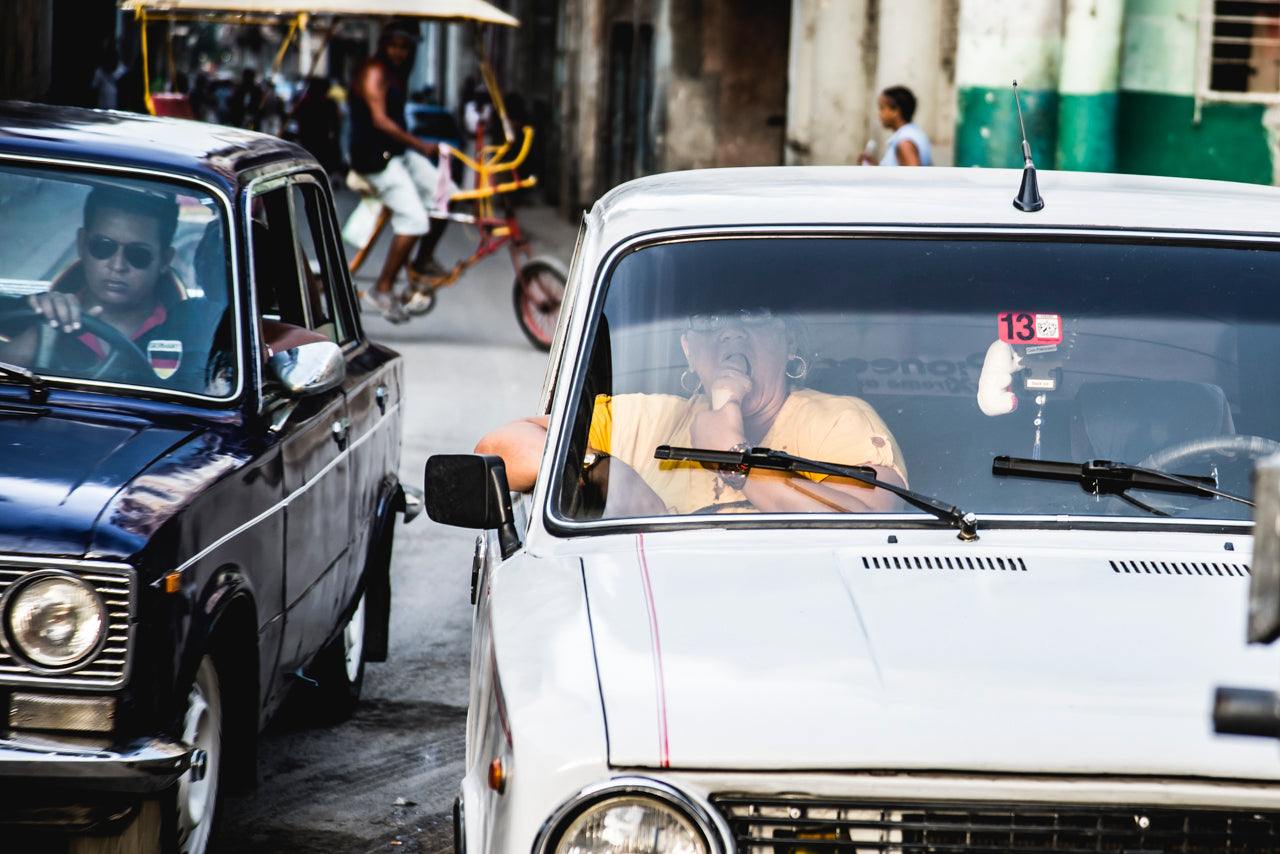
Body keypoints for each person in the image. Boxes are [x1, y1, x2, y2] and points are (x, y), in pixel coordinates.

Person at [476, 308, 908, 517]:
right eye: (710, 319)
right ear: (688, 350)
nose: (732, 332)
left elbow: (871, 524)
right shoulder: (649, 423)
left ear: (789, 343)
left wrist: (739, 462)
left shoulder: (837, 420)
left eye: (753, 315)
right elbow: (498, 448)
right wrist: (610, 473)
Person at [0, 186, 224, 393]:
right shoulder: (31, 314)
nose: (117, 266)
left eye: (138, 254)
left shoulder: (198, 329)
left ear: (165, 260)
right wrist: (39, 335)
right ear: (81, 244)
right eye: (103, 246)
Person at [348, 18, 451, 323]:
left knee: (446, 197)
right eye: (393, 45)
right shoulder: (374, 71)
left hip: (396, 154)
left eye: (404, 47)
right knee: (415, 220)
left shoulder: (396, 75)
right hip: (374, 160)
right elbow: (380, 120)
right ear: (383, 45)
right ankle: (383, 287)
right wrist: (420, 145)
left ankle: (422, 261)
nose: (398, 52)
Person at [858, 86, 932, 167]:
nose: (878, 113)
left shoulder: (904, 143)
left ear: (896, 111)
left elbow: (913, 177)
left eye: (882, 108)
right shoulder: (916, 134)